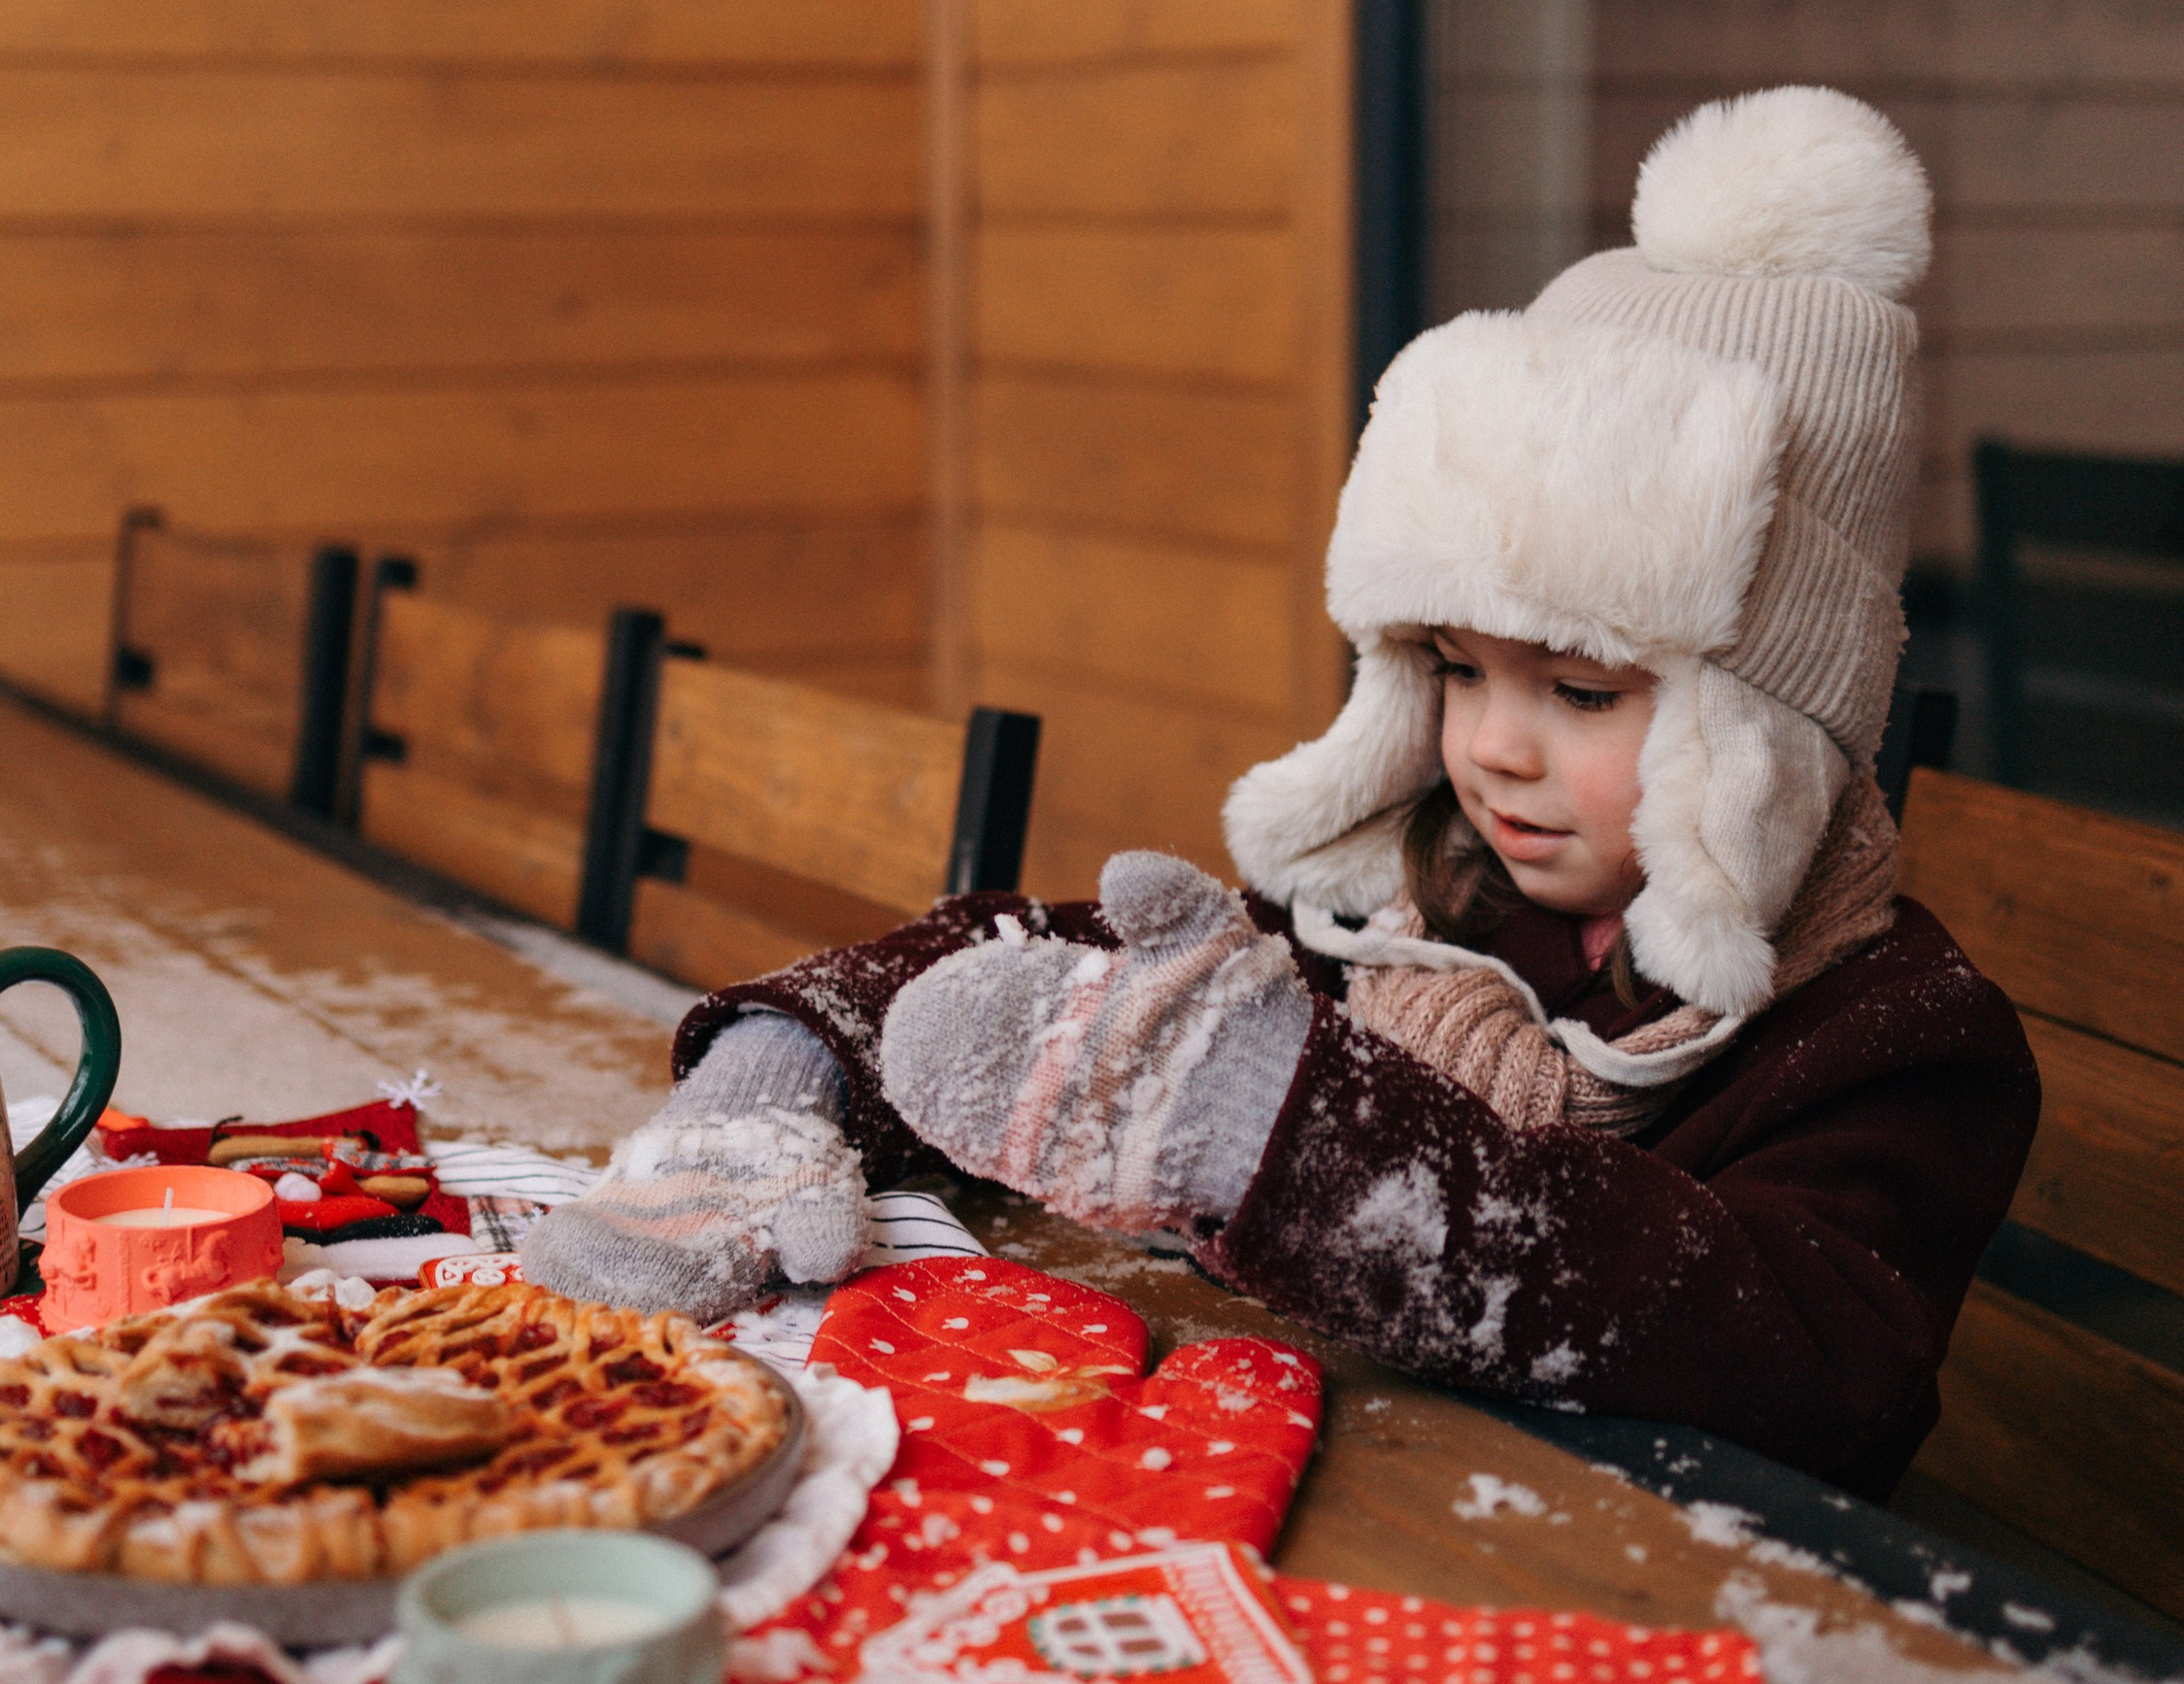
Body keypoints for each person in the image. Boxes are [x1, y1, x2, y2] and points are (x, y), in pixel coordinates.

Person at [523, 86, 2038, 1499]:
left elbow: (1810, 1354)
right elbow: (1055, 977)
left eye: (1580, 693)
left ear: (1768, 729)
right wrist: (784, 1081)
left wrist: (1290, 1134)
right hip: (1381, 1504)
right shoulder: (1416, 900)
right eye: (1454, 668)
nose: (1494, 746)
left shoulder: (1895, 1039)